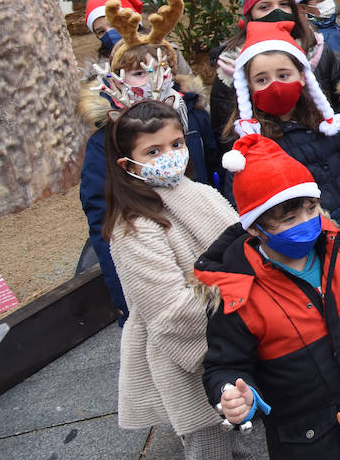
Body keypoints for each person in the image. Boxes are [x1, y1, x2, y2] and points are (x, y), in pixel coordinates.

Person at [196, 134, 340, 460]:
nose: (308, 223)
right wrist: (233, 393)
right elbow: (225, 366)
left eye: (311, 208)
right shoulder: (237, 292)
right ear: (255, 229)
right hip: (309, 440)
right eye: (289, 219)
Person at [104, 98, 242, 460]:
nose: (170, 156)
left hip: (230, 333)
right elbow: (168, 310)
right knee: (210, 444)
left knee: (237, 434)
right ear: (127, 164)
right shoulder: (133, 227)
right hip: (188, 355)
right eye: (153, 151)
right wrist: (239, 294)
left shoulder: (198, 193)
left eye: (176, 144)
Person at [79, 0, 215, 322]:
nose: (151, 81)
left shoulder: (193, 116)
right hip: (151, 259)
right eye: (138, 74)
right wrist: (125, 299)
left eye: (159, 70)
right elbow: (103, 223)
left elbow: (213, 177)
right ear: (118, 79)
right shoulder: (105, 142)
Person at [227, 20, 340, 246]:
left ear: (302, 76)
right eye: (262, 79)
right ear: (248, 86)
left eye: (283, 75)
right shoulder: (248, 147)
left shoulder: (324, 125)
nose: (275, 86)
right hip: (306, 245)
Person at [210, 0, 340, 149]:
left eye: (284, 4)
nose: (277, 12)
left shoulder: (317, 49)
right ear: (250, 15)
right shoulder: (231, 66)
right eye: (264, 7)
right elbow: (224, 134)